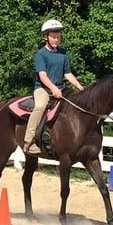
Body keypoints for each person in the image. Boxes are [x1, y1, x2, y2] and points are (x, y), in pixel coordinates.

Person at [23, 19, 84, 155]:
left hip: (60, 89)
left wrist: (79, 86)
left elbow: (67, 73)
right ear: (46, 37)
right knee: (40, 106)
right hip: (43, 89)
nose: (56, 40)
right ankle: (29, 141)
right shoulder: (41, 54)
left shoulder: (63, 54)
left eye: (58, 37)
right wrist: (53, 88)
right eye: (53, 37)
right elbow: (43, 76)